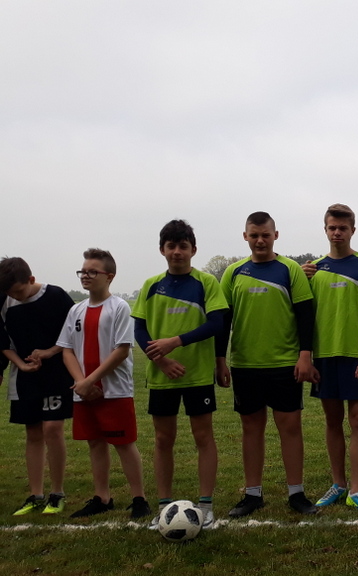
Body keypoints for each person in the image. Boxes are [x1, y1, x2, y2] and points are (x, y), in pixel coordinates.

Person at [216, 211, 318, 517]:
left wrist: (305, 355)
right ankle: (252, 494)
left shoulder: (290, 270)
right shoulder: (233, 272)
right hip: (245, 364)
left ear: (276, 235)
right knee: (251, 428)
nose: (260, 241)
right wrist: (220, 360)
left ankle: (296, 494)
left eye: (265, 235)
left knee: (290, 427)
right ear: (245, 237)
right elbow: (223, 320)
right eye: (254, 235)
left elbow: (305, 314)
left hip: (284, 364)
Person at [132, 220, 227, 528]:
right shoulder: (151, 285)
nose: (177, 252)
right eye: (171, 246)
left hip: (197, 374)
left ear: (193, 250)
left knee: (203, 437)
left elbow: (216, 323)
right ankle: (164, 507)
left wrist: (176, 341)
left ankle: (206, 507)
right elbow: (140, 329)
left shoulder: (206, 283)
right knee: (163, 439)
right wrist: (162, 362)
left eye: (183, 246)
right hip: (162, 376)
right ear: (162, 250)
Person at [58, 249, 151, 519]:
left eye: (92, 272)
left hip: (114, 391)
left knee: (123, 443)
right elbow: (66, 350)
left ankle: (139, 499)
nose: (85, 276)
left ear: (109, 276)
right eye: (83, 271)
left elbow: (122, 350)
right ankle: (102, 497)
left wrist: (90, 380)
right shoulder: (76, 310)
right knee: (95, 443)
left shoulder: (119, 307)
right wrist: (81, 383)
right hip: (83, 392)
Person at [307, 204, 358, 513]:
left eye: (343, 228)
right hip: (325, 357)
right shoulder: (313, 270)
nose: (337, 232)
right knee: (332, 421)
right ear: (325, 230)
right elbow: (303, 316)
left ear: (353, 230)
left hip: (357, 356)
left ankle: (356, 489)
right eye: (332, 228)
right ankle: (338, 483)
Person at [0, 257, 75, 516]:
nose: (14, 297)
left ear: (31, 280)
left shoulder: (55, 296)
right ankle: (35, 495)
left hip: (56, 373)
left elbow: (73, 333)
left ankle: (57, 493)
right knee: (32, 433)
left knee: (53, 429)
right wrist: (21, 364)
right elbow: (3, 341)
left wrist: (49, 352)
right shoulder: (4, 301)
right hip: (24, 376)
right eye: (9, 293)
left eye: (18, 291)